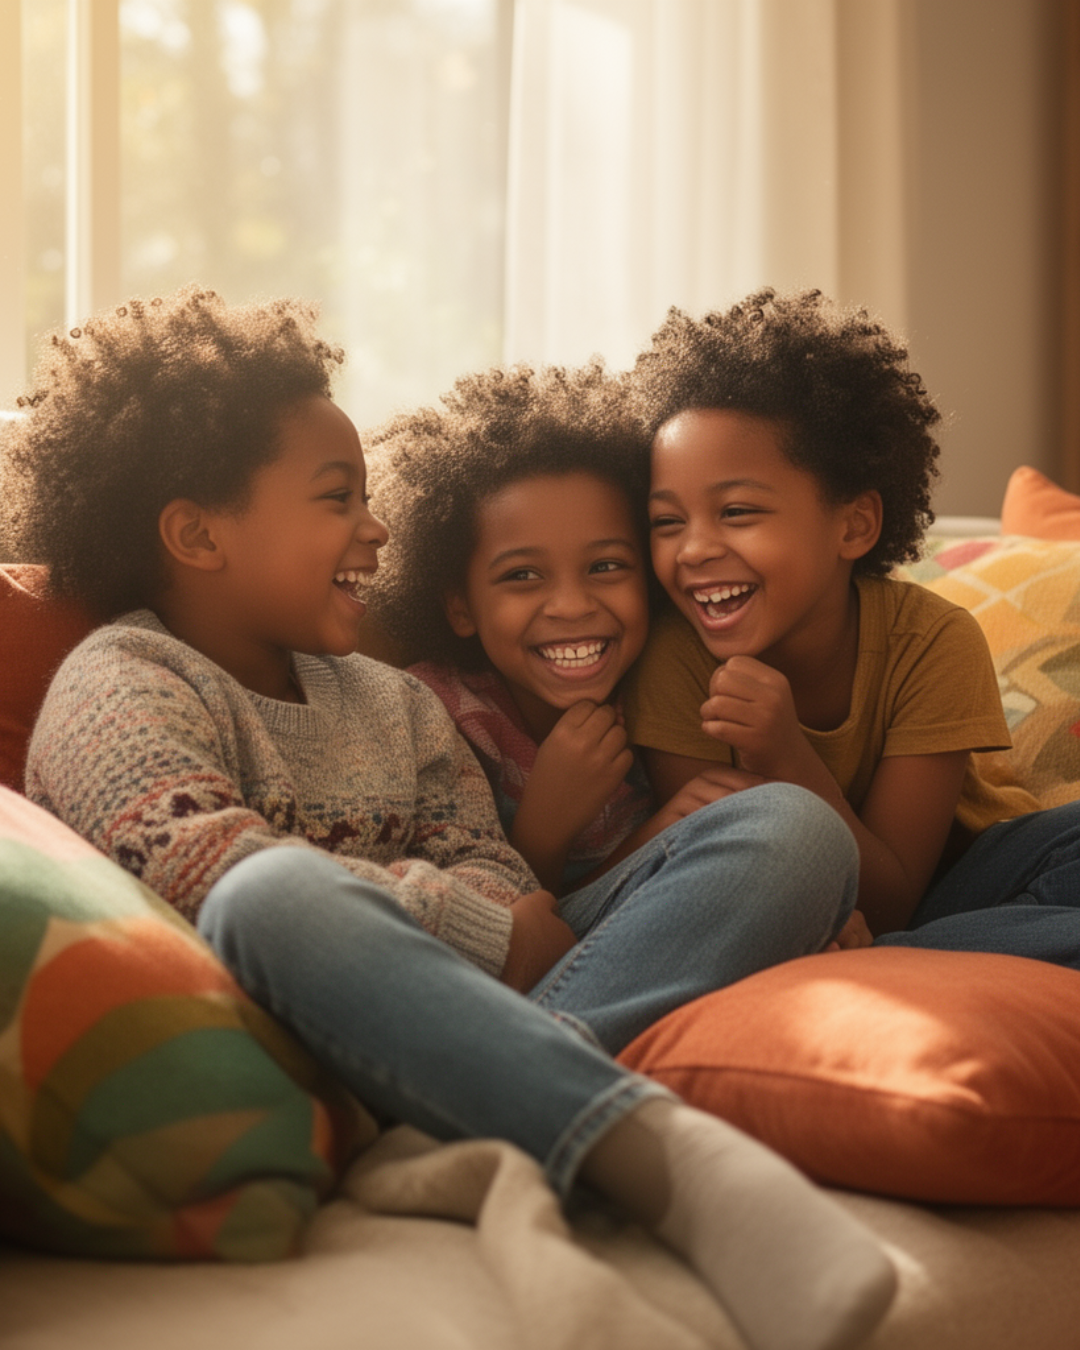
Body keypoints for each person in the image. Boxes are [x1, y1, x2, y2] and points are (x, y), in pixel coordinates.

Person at [5, 286, 896, 1350]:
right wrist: (480, 926)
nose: (375, 526)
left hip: (478, 1012)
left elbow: (493, 867)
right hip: (302, 1031)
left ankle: (483, 1098)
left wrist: (498, 915)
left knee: (792, 826)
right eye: (337, 498)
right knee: (271, 891)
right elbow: (193, 868)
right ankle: (656, 1154)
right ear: (199, 533)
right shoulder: (120, 680)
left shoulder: (391, 700)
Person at [622, 286, 1080, 965]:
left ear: (854, 525)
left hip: (970, 877)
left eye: (737, 512)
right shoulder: (675, 659)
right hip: (810, 895)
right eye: (667, 521)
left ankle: (922, 954)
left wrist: (785, 753)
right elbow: (726, 871)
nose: (692, 549)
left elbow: (895, 896)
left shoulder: (931, 642)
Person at [366, 360, 738, 895]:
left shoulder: (669, 681)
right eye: (522, 575)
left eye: (605, 566)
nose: (570, 606)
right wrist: (545, 829)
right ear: (460, 606)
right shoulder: (434, 716)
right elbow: (478, 922)